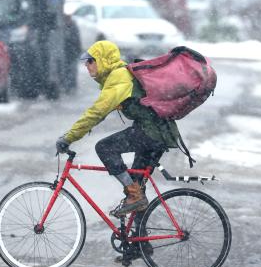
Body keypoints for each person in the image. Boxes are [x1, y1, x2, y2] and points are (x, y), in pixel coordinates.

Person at [56, 40, 181, 217]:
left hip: (153, 132)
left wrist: (69, 137)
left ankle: (134, 195)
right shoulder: (118, 76)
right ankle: (139, 242)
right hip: (157, 132)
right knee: (137, 191)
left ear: (103, 60)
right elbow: (99, 113)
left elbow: (96, 113)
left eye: (91, 61)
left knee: (105, 147)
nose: (86, 65)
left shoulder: (119, 77)